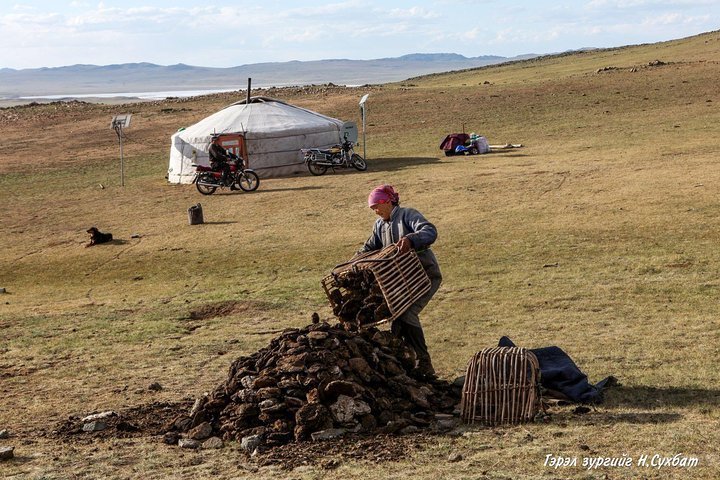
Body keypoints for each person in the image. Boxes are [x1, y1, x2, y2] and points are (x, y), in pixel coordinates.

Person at [359, 184, 442, 377]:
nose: (375, 212)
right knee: (396, 319)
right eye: (373, 209)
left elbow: (430, 231)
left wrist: (412, 240)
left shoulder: (407, 215)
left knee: (407, 312)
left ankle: (424, 362)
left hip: (424, 275)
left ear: (388, 202)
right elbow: (369, 247)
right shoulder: (380, 226)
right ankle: (405, 365)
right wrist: (355, 259)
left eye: (377, 207)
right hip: (403, 281)